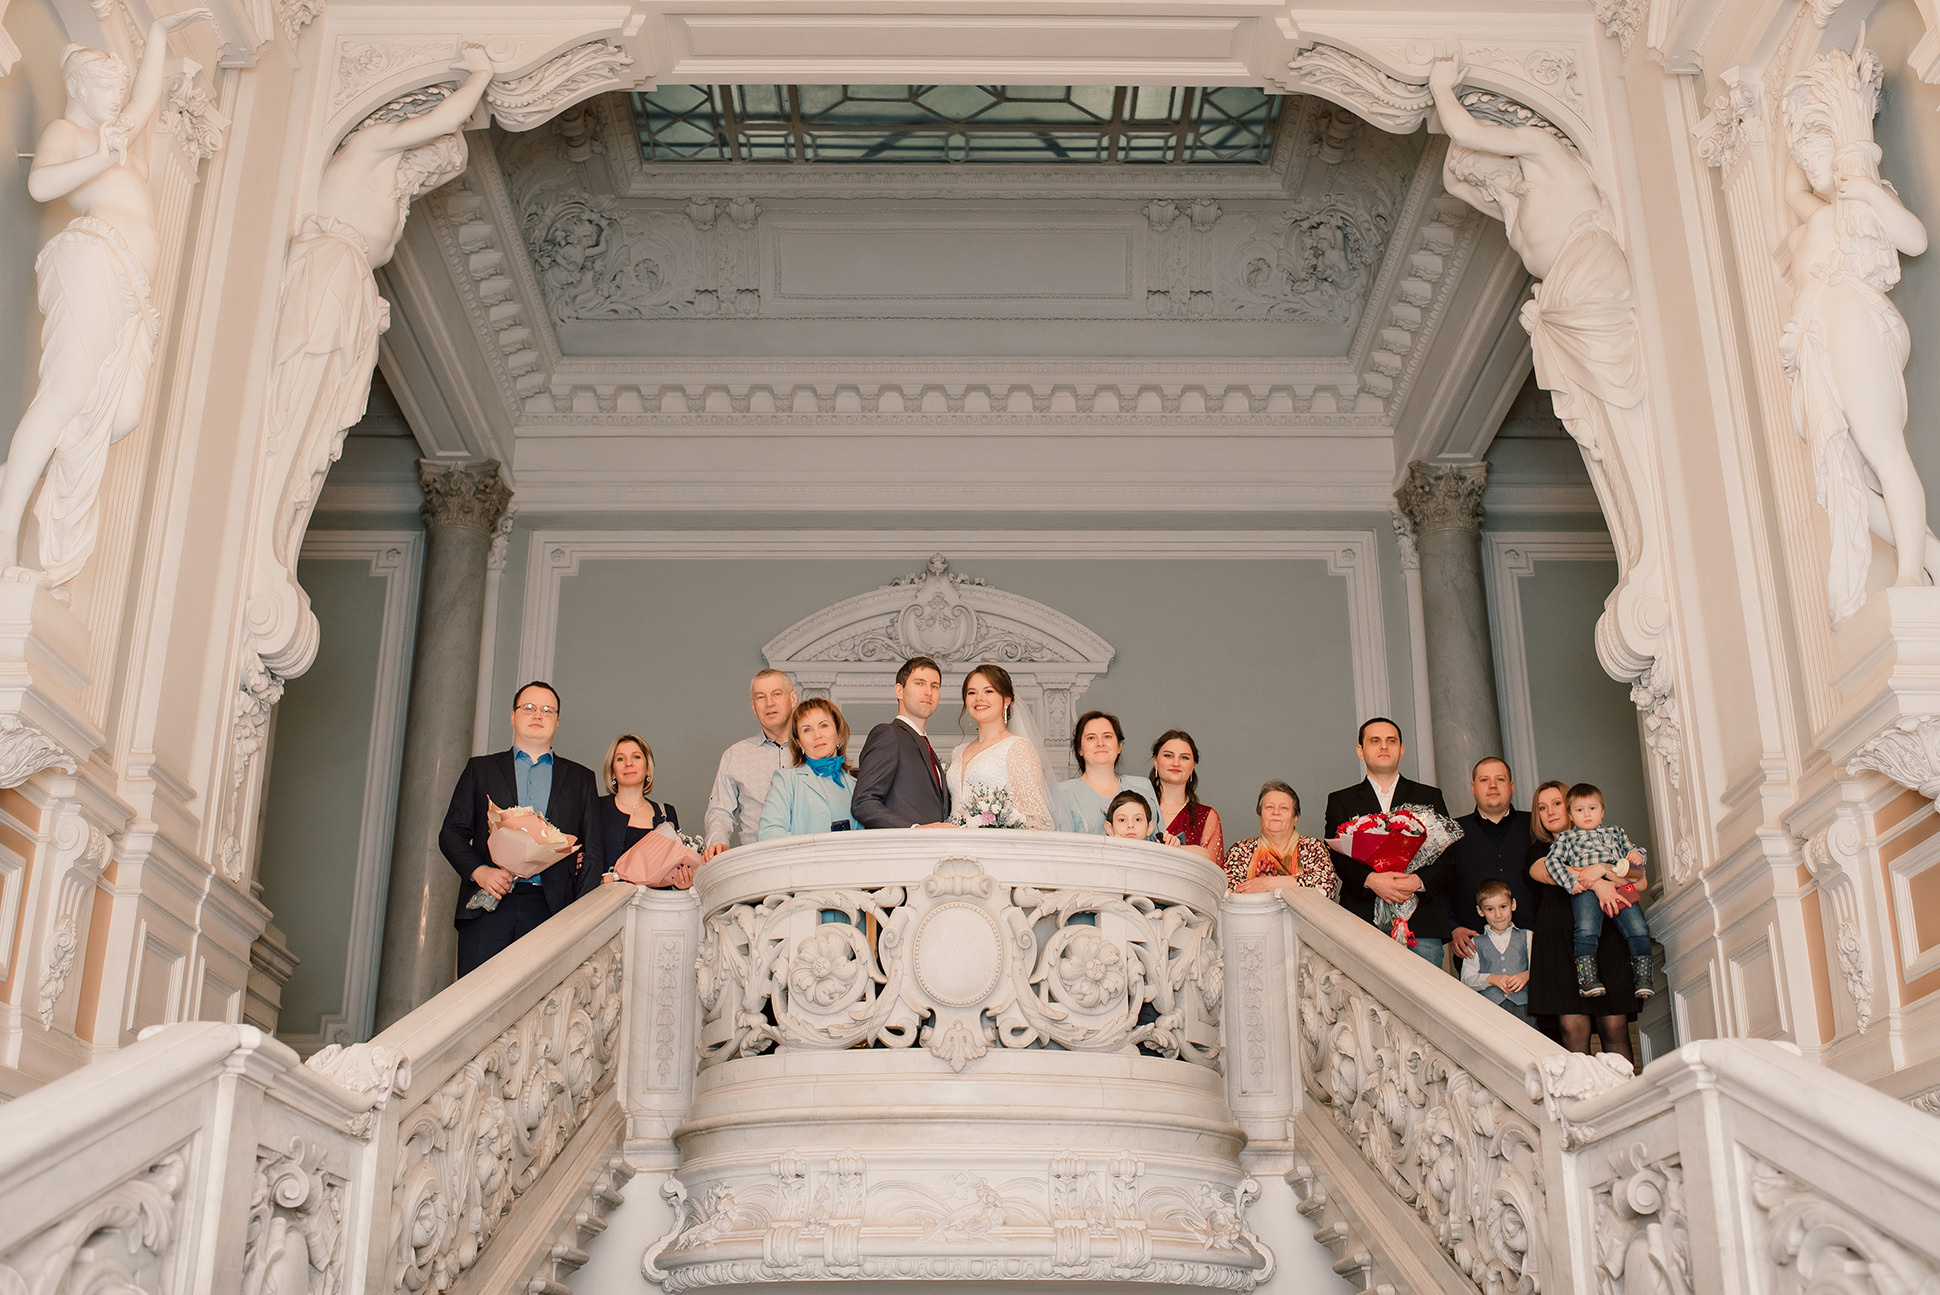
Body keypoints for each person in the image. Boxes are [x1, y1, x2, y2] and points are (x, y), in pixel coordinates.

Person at [440, 681, 606, 977]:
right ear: (513, 716)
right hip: (488, 906)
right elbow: (451, 833)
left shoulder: (581, 779)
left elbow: (592, 852)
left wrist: (576, 916)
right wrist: (481, 872)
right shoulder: (481, 769)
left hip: (552, 910)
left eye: (547, 710)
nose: (537, 715)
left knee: (543, 1011)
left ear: (557, 721)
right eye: (528, 708)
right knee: (477, 1004)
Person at [1525, 780, 1639, 1065]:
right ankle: (1583, 1107)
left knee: (1614, 1027)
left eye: (1556, 803)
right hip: (1558, 946)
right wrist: (1601, 883)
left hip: (1605, 939)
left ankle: (1626, 1104)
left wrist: (1602, 868)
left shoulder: (1609, 840)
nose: (1549, 811)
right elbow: (1546, 872)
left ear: (1573, 806)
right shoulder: (1538, 851)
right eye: (1541, 807)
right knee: (1572, 1029)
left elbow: (1639, 880)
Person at [1324, 717, 1453, 968]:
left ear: (1401, 750)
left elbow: (1448, 856)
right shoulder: (1341, 800)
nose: (1384, 746)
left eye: (1391, 741)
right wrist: (1371, 880)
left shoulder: (1429, 796)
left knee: (1425, 999)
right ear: (1360, 751)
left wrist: (1418, 881)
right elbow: (1337, 856)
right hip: (1362, 918)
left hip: (1421, 921)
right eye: (1375, 741)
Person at [1545, 784, 1655, 999]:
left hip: (1620, 885)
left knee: (1639, 927)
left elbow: (1636, 867)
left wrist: (1638, 856)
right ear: (1570, 815)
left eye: (1592, 808)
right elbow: (1552, 862)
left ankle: (1643, 977)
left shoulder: (1616, 832)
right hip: (1586, 889)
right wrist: (1569, 882)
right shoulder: (1566, 838)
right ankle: (1587, 979)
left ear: (1602, 811)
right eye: (1579, 810)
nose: (1587, 814)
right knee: (1586, 929)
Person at [944, 663, 1056, 830]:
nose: (978, 698)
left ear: (1006, 700)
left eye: (988, 691)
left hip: (993, 849)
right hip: (952, 846)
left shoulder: (1017, 747)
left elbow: (1035, 819)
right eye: (972, 693)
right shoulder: (957, 752)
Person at [702, 669, 798, 860]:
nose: (769, 703)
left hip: (807, 861)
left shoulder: (813, 749)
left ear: (793, 699)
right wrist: (718, 842)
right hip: (756, 865)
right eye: (760, 697)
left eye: (777, 694)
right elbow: (720, 811)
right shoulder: (735, 755)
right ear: (753, 706)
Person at [1447, 757, 1535, 963]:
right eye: (1485, 780)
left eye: (1500, 779)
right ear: (1473, 787)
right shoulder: (1452, 833)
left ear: (1512, 787)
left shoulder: (1535, 826)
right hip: (1474, 949)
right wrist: (1453, 928)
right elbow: (1440, 889)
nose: (1493, 785)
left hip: (1536, 946)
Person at [853, 656, 952, 829]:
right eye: (919, 683)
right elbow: (863, 803)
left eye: (934, 686)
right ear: (899, 691)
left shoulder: (927, 747)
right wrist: (914, 829)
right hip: (902, 851)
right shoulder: (888, 734)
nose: (928, 691)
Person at [759, 699, 865, 838]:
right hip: (801, 859)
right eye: (807, 730)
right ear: (799, 743)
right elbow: (768, 834)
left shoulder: (856, 787)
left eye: (824, 726)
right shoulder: (786, 781)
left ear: (838, 734)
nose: (817, 735)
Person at [1223, 781, 1336, 897]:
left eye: (1284, 808)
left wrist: (1270, 883)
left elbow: (1326, 886)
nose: (1276, 812)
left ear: (1295, 817)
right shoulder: (1241, 850)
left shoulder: (1313, 847)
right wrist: (1292, 885)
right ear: (1260, 815)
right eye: (1269, 807)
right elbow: (1229, 891)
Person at [595, 734, 681, 883]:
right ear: (613, 771)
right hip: (608, 903)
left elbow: (674, 868)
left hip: (656, 904)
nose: (629, 763)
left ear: (648, 768)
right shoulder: (596, 808)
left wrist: (681, 881)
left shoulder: (666, 813)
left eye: (636, 757)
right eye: (620, 759)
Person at [1057, 711, 1160, 834]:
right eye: (1091, 738)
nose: (1100, 743)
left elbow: (1158, 841)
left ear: (1119, 746)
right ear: (1079, 748)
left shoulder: (1143, 787)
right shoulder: (1061, 794)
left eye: (1107, 736)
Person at [1460, 879, 1532, 1025]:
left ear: (1513, 904)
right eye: (1490, 909)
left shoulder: (1527, 936)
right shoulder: (1475, 943)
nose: (1498, 915)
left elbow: (1543, 970)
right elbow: (1466, 980)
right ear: (1480, 911)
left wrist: (1526, 975)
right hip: (1489, 1011)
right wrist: (1491, 978)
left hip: (1524, 1010)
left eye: (1503, 906)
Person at [1151, 730, 1222, 863]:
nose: (1176, 763)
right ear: (1156, 761)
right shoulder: (1138, 807)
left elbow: (1213, 870)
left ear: (1193, 766)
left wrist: (1178, 848)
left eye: (1184, 757)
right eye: (1168, 756)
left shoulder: (1207, 816)